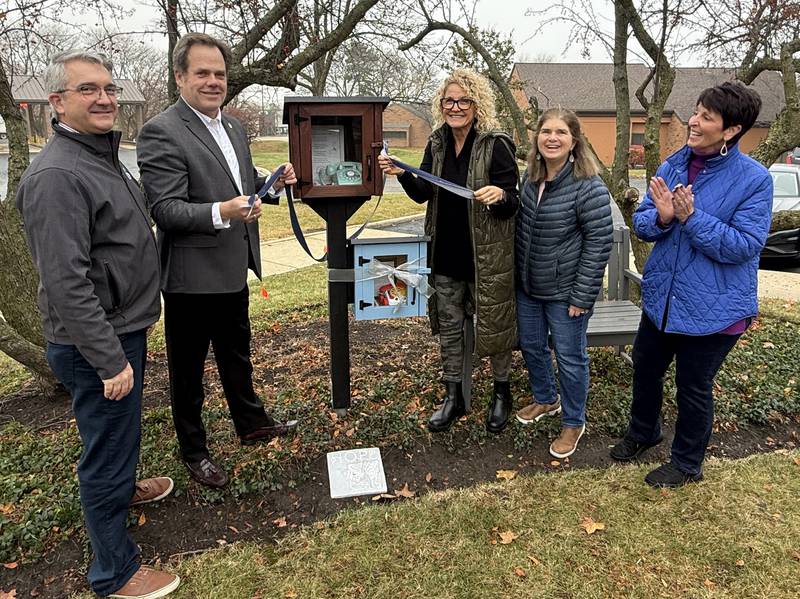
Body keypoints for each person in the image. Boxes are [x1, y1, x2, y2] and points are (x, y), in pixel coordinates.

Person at [16, 50, 179, 598]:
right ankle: (115, 572)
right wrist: (108, 357)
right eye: (88, 90)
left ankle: (126, 488)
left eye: (109, 88)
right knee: (104, 451)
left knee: (118, 434)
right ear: (56, 102)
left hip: (121, 327)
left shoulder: (101, 155)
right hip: (97, 342)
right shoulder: (59, 174)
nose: (105, 98)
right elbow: (66, 282)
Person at [137, 33, 298, 489]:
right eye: (202, 73)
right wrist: (222, 211)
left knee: (236, 355)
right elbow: (165, 209)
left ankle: (252, 424)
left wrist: (272, 180)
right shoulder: (161, 131)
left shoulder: (232, 128)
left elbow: (240, 179)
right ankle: (194, 449)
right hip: (190, 278)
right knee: (188, 372)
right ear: (180, 77)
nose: (213, 82)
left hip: (232, 267)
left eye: (219, 74)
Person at [610, 81, 773, 487]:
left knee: (693, 385)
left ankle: (686, 463)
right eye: (697, 112)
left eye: (706, 117)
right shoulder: (672, 164)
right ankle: (644, 431)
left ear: (731, 130)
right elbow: (643, 223)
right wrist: (663, 217)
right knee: (646, 368)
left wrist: (691, 218)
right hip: (664, 299)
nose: (694, 122)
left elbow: (744, 246)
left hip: (715, 309)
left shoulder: (755, 180)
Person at [378, 68, 520, 434]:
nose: (455, 107)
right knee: (451, 329)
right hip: (446, 252)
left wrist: (500, 195)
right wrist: (402, 174)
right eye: (448, 101)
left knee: (496, 327)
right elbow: (424, 192)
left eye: (463, 100)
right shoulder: (438, 142)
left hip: (486, 258)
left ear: (476, 104)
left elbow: (514, 202)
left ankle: (501, 393)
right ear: (441, 105)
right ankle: (453, 396)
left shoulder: (495, 144)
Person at [514, 108, 613, 459]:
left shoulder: (588, 185)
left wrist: (582, 296)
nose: (552, 138)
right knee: (531, 346)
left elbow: (599, 242)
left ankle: (574, 421)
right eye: (545, 131)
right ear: (537, 138)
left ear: (574, 141)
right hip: (529, 287)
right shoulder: (531, 178)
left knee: (571, 359)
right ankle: (546, 399)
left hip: (567, 293)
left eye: (560, 132)